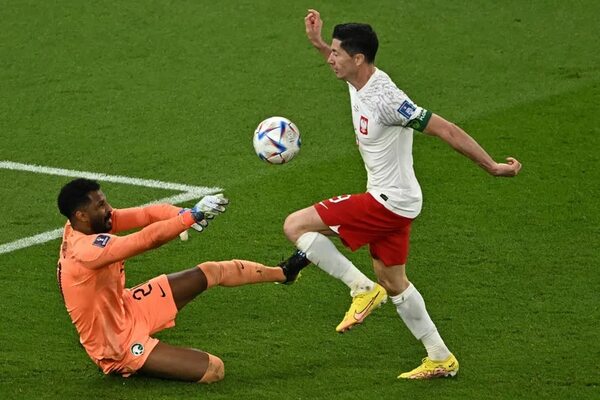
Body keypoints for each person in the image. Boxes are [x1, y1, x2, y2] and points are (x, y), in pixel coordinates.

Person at [281, 9, 522, 380]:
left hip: (387, 203)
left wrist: (492, 166)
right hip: (397, 200)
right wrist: (317, 41)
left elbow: (447, 129)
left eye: (335, 53)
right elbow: (341, 65)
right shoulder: (358, 79)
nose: (330, 59)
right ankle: (440, 356)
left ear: (357, 59)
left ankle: (360, 288)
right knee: (394, 281)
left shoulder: (386, 99)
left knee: (296, 225)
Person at [56, 178, 307, 383]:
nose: (108, 208)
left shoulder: (86, 224)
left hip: (126, 306)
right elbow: (146, 240)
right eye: (100, 205)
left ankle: (284, 273)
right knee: (214, 370)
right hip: (115, 343)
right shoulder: (87, 251)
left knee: (211, 271)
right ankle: (125, 363)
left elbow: (146, 214)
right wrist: (190, 218)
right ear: (82, 215)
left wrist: (183, 214)